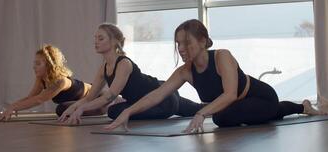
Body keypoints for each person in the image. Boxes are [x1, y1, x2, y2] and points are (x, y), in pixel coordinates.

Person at [105, 19, 324, 132]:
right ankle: (301, 106)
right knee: (224, 117)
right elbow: (157, 95)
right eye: (178, 44)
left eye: (186, 42)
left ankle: (299, 107)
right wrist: (128, 112)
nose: (181, 48)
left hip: (261, 97)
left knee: (223, 117)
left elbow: (229, 95)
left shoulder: (222, 57)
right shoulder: (185, 71)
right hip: (234, 107)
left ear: (202, 41)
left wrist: (201, 113)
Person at [59, 23, 200, 125]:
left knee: (114, 112)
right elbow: (90, 97)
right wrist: (72, 108)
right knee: (201, 108)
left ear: (114, 42)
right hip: (150, 101)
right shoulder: (104, 68)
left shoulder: (124, 64)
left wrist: (82, 109)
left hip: (163, 99)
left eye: (100, 38)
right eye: (95, 38)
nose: (96, 42)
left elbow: (109, 97)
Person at [0, 45, 112, 121]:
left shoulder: (60, 81)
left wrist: (14, 107)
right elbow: (31, 97)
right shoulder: (41, 79)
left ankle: (112, 101)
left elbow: (39, 100)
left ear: (49, 65)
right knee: (64, 109)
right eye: (34, 63)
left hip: (96, 96)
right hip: (79, 102)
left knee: (61, 109)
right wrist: (11, 107)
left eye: (38, 64)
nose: (33, 67)